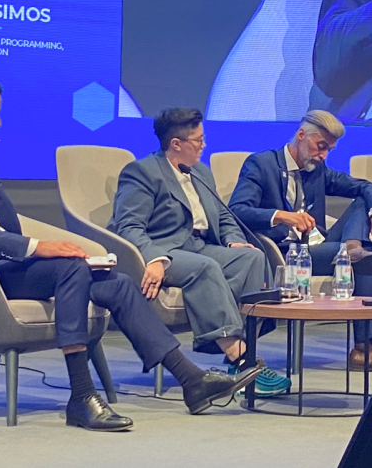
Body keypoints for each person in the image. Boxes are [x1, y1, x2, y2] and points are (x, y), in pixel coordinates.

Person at [0, 77, 260, 431]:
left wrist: (44, 251)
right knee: (71, 269)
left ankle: (191, 380)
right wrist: (37, 246)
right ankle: (82, 395)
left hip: (6, 265)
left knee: (118, 283)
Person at [109, 108, 290, 396]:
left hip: (201, 245)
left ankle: (242, 355)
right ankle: (242, 360)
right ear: (176, 143)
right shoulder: (142, 172)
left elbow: (224, 215)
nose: (204, 145)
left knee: (252, 257)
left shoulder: (200, 172)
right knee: (205, 268)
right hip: (165, 248)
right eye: (198, 140)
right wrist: (153, 257)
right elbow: (127, 225)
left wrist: (233, 241)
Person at [229, 110, 372, 370]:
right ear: (301, 135)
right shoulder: (261, 164)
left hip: (320, 247)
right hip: (286, 254)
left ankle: (352, 250)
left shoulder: (318, 170)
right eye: (321, 146)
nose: (323, 155)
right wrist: (282, 216)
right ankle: (368, 346)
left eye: (329, 149)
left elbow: (366, 186)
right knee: (366, 255)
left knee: (364, 204)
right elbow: (237, 210)